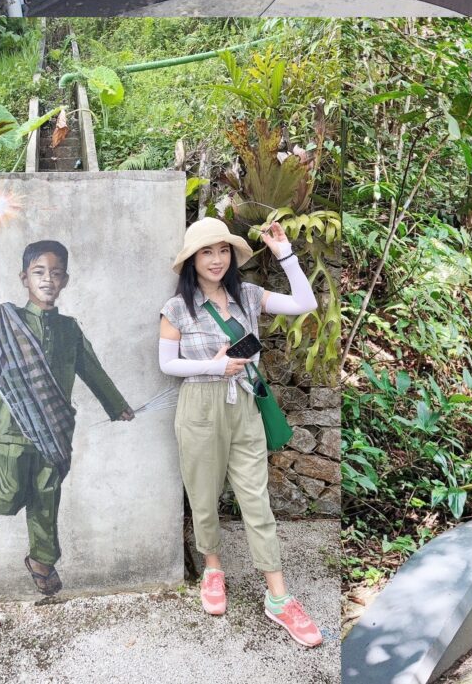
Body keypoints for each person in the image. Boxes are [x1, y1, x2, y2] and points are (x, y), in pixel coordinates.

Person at [0, 237, 135, 597]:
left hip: (55, 431)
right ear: (24, 277)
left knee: (47, 494)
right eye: (39, 272)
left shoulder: (69, 329)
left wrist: (115, 404)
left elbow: (92, 370)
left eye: (55, 273)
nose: (47, 280)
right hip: (10, 427)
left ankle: (42, 559)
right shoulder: (4, 320)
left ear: (65, 281)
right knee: (10, 491)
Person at [159, 217, 324, 647]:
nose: (216, 259)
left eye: (223, 250)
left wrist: (284, 251)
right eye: (206, 252)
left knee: (256, 498)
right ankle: (213, 569)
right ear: (192, 259)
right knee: (203, 493)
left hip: (244, 406)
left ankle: (279, 597)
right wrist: (214, 365)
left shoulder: (247, 296)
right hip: (198, 406)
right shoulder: (177, 308)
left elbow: (305, 302)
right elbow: (167, 364)